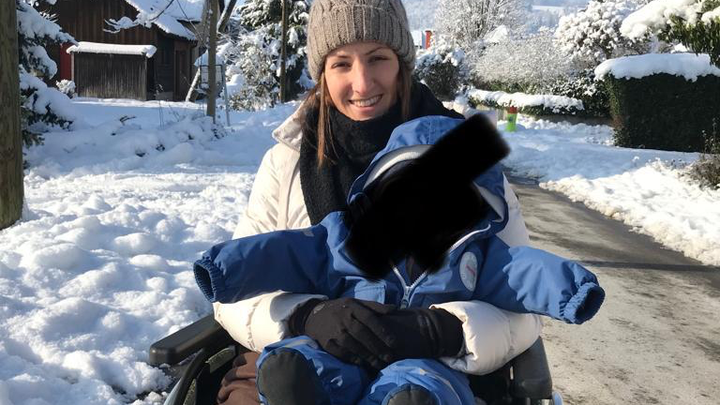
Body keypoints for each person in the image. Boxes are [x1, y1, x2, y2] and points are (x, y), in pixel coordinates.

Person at [211, 1, 542, 404]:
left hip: (437, 373)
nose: (362, 83)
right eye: (341, 63)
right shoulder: (287, 162)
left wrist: (445, 330)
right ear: (322, 73)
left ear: (402, 63)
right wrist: (305, 316)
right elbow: (237, 290)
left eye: (377, 58)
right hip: (300, 362)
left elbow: (522, 304)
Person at [196, 114, 605, 405]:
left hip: (425, 361)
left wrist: (572, 291)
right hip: (340, 347)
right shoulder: (348, 235)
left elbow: (520, 272)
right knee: (305, 361)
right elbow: (290, 252)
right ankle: (300, 381)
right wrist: (228, 269)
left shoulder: (473, 254)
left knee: (421, 387)